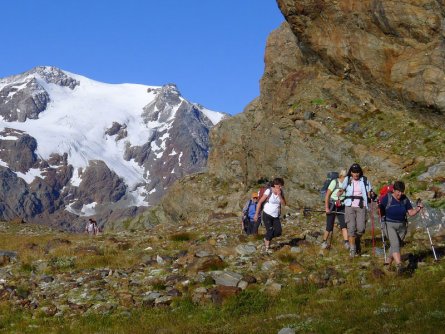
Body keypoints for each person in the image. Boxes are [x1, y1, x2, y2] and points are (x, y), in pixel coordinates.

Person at [379, 181, 422, 273]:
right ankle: (399, 265)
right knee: (395, 244)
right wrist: (379, 208)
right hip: (388, 224)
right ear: (393, 190)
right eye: (398, 191)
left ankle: (387, 264)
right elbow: (379, 211)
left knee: (395, 246)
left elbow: (410, 212)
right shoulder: (387, 198)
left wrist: (418, 208)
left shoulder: (404, 199)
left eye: (402, 191)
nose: (400, 193)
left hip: (402, 226)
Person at [337, 163, 372, 257]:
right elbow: (342, 189)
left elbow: (369, 193)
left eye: (357, 172)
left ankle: (356, 241)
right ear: (351, 172)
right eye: (354, 172)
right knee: (351, 228)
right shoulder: (347, 179)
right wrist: (340, 193)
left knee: (361, 228)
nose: (356, 174)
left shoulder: (364, 180)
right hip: (349, 205)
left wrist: (372, 195)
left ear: (360, 172)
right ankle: (353, 250)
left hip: (361, 206)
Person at [254, 177, 286, 253]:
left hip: (276, 215)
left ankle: (266, 238)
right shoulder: (269, 191)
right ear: (275, 185)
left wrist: (280, 195)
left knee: (278, 232)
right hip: (266, 214)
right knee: (270, 230)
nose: (281, 187)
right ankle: (266, 249)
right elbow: (260, 202)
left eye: (281, 186)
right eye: (280, 185)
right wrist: (256, 214)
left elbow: (284, 204)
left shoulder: (281, 192)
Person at [321, 169, 349, 250]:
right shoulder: (334, 182)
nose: (347, 178)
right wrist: (326, 207)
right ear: (342, 176)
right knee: (329, 226)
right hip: (332, 205)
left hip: (342, 206)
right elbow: (327, 195)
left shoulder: (347, 184)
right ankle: (324, 242)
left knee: (344, 225)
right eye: (346, 177)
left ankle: (346, 243)